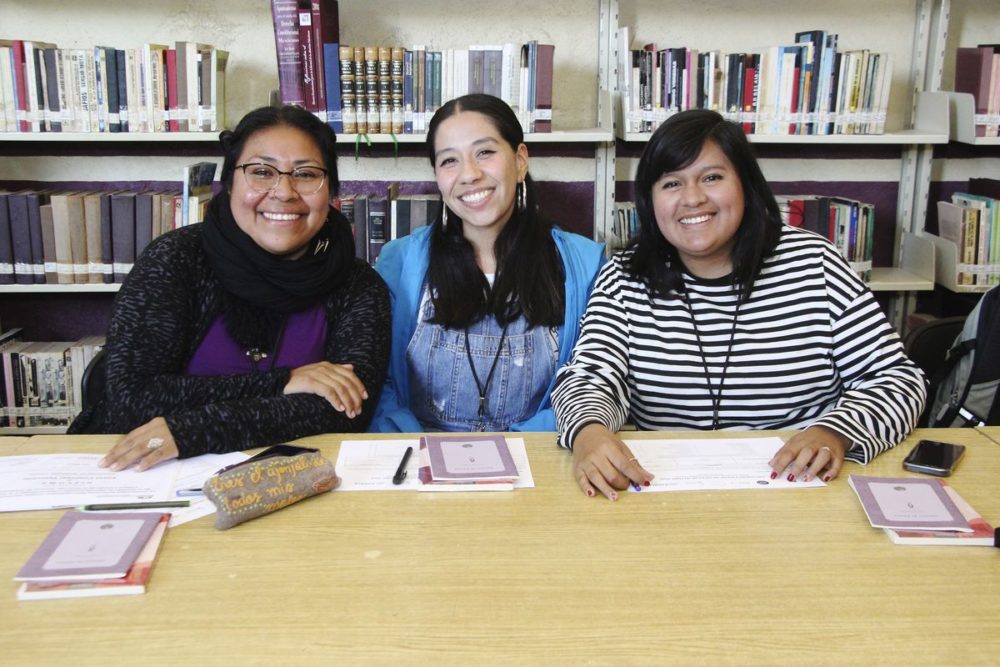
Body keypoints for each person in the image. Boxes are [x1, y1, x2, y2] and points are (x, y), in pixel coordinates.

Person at [552, 109, 927, 500]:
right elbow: (589, 377)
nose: (693, 198)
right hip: (666, 491)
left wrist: (835, 432)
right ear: (650, 200)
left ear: (745, 184)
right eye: (671, 183)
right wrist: (588, 429)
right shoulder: (626, 277)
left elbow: (898, 380)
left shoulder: (814, 264)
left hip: (798, 491)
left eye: (712, 178)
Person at [69, 105, 392, 471]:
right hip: (146, 471)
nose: (284, 192)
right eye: (261, 172)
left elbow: (345, 410)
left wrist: (191, 428)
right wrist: (285, 382)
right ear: (229, 182)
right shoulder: (175, 260)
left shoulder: (358, 284)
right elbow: (132, 400)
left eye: (305, 174)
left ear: (331, 191)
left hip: (297, 479)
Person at [370, 94, 605, 433]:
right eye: (449, 161)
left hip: (538, 463)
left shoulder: (584, 266)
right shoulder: (400, 263)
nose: (469, 174)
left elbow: (591, 382)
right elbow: (383, 385)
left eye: (485, 152)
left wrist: (515, 455)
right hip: (422, 464)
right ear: (437, 175)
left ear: (520, 160)